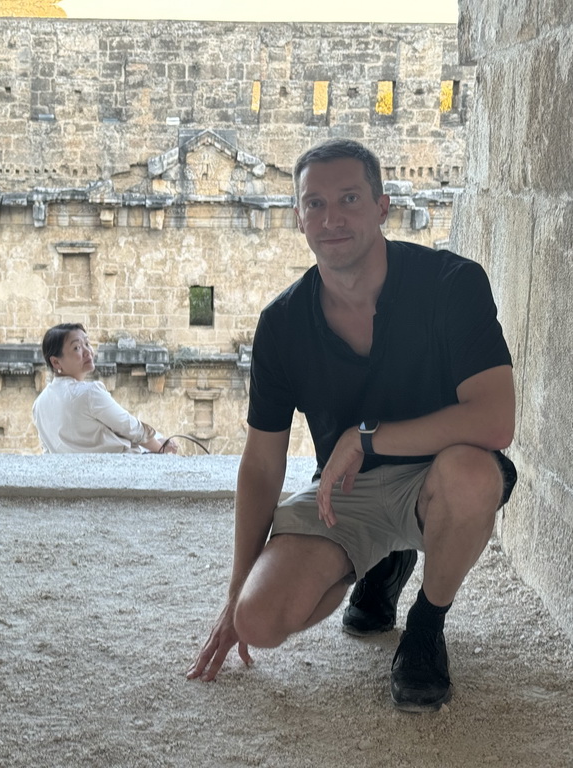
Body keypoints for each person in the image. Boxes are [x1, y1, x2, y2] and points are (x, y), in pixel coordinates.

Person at [186, 138, 517, 713]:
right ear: (297, 217)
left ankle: (425, 627)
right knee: (259, 620)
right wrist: (235, 592)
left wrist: (366, 438)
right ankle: (383, 562)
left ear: (382, 206)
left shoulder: (451, 283)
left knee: (469, 475)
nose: (331, 218)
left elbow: (495, 420)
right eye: (314, 204)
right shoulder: (282, 323)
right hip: (347, 491)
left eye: (349, 198)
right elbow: (262, 463)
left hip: (439, 473)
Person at [32, 323, 178, 455]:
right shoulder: (89, 393)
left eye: (87, 344)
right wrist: (159, 446)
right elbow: (130, 427)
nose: (87, 351)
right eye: (76, 347)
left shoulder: (39, 404)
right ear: (56, 362)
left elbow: (48, 451)